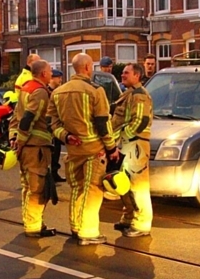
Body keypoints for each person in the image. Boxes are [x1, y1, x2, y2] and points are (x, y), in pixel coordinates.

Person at [47, 53, 120, 245]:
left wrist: (66, 136)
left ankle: (76, 227)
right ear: (88, 68)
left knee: (77, 190)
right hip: (94, 149)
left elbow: (52, 124)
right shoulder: (96, 91)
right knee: (93, 191)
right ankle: (88, 232)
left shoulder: (58, 92)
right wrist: (111, 147)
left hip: (72, 150)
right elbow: (103, 123)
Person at [11, 60, 57, 238]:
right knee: (37, 188)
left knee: (28, 187)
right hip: (35, 147)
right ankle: (34, 226)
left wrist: (14, 139)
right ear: (43, 73)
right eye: (50, 70)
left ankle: (31, 222)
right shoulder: (40, 92)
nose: (52, 73)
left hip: (27, 147)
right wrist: (21, 141)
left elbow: (16, 116)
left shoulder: (25, 88)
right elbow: (28, 119)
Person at [111, 62, 153, 237]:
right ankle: (129, 217)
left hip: (135, 145)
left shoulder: (139, 96)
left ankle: (142, 224)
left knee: (138, 186)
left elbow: (140, 121)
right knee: (125, 184)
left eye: (126, 73)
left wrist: (122, 136)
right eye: (122, 73)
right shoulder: (129, 94)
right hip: (128, 145)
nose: (122, 75)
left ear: (137, 75)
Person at [49, 69, 66, 182]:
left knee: (56, 151)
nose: (60, 80)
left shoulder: (57, 91)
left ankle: (54, 173)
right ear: (52, 78)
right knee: (52, 152)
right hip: (49, 127)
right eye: (58, 77)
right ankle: (51, 175)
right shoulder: (46, 92)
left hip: (57, 126)